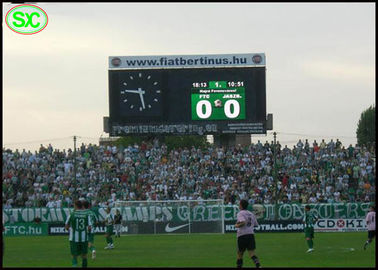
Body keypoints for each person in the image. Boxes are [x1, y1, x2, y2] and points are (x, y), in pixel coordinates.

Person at [65, 200, 92, 267]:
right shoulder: (86, 215)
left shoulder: (72, 214)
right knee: (84, 256)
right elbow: (89, 227)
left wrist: (70, 229)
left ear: (76, 206)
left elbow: (66, 227)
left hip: (74, 238)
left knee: (74, 256)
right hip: (84, 238)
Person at [235, 199, 261, 268]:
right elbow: (256, 224)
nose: (238, 205)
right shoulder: (251, 213)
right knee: (252, 253)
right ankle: (258, 265)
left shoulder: (240, 213)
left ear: (241, 205)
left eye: (239, 204)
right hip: (251, 234)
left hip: (242, 235)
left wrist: (237, 225)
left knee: (240, 254)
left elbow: (243, 222)